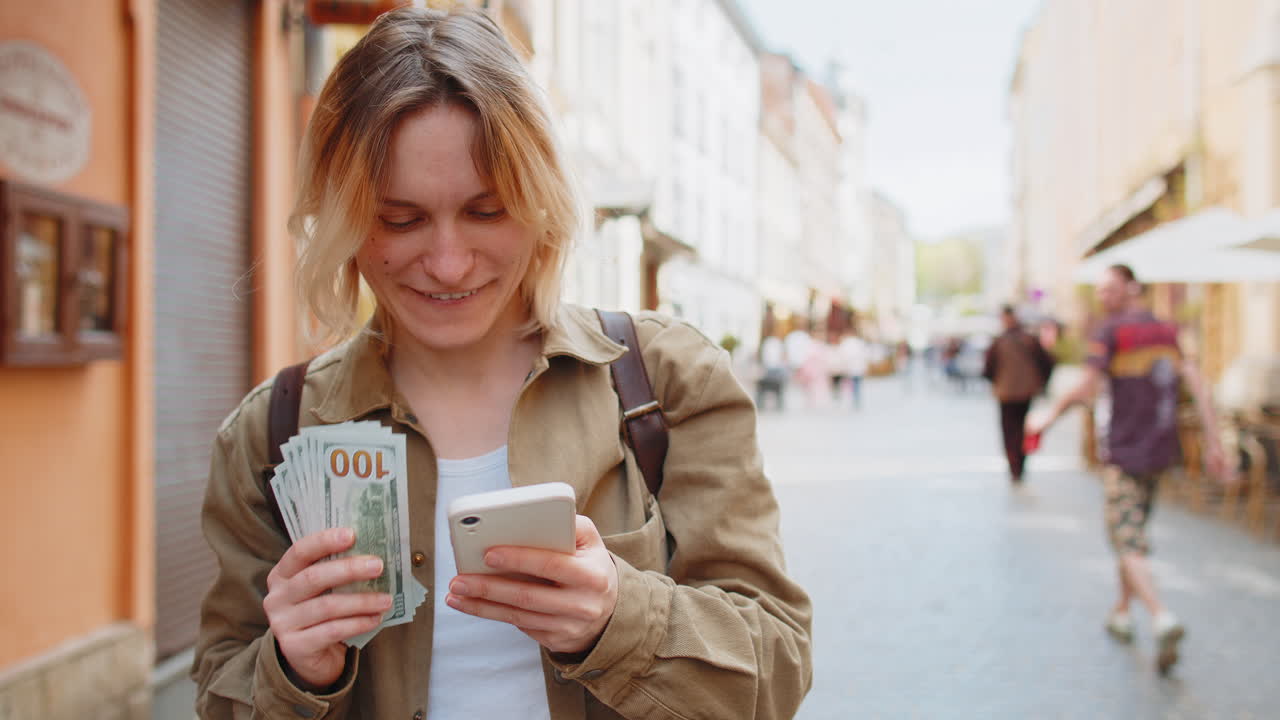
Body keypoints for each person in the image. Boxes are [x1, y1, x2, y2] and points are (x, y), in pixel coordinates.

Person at [191, 8, 812, 719]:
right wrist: (294, 670)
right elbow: (220, 696)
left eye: (487, 212)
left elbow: (776, 672)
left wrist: (617, 618)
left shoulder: (665, 383)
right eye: (401, 219)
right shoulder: (272, 432)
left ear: (540, 199)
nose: (449, 263)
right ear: (341, 216)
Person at [1027, 264, 1235, 675]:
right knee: (1134, 531)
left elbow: (1086, 386)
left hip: (1125, 452)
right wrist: (1213, 441)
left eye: (1110, 289)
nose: (1104, 296)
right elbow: (1197, 384)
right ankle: (1122, 611)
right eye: (1100, 290)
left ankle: (1161, 616)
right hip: (1161, 451)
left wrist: (1046, 420)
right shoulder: (1169, 332)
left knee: (1125, 538)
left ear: (1131, 287)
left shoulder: (1110, 333)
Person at [982, 305, 1054, 483]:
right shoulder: (1027, 340)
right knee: (1020, 428)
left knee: (1010, 429)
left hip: (1008, 392)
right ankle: (1018, 462)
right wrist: (1039, 383)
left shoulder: (1001, 342)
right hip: (1023, 391)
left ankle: (1015, 463)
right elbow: (1047, 363)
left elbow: (988, 369)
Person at [836, 330, 869, 409]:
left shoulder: (845, 343)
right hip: (857, 368)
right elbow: (864, 355)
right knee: (856, 384)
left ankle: (850, 400)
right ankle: (856, 400)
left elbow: (842, 356)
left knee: (848, 385)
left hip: (850, 368)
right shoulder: (859, 343)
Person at [756, 333, 788, 411]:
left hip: (771, 370)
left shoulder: (767, 343)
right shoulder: (776, 343)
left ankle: (760, 405)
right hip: (771, 371)